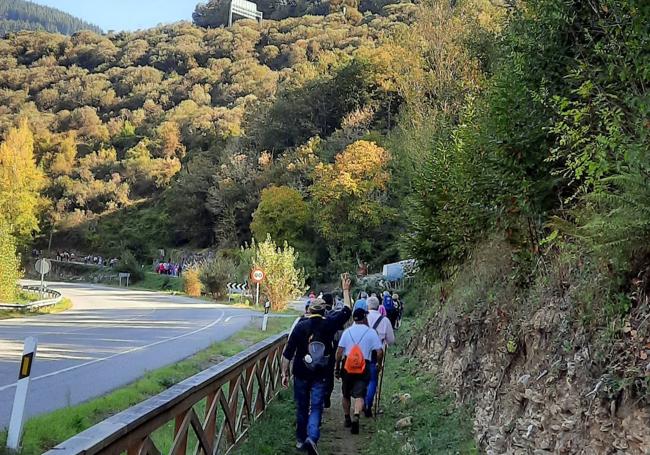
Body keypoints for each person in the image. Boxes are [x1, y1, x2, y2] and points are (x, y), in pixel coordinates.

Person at [282, 274, 353, 455]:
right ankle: (312, 438)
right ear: (323, 311)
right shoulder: (329, 323)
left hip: (300, 373)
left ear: (309, 310)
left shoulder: (300, 326)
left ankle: (300, 440)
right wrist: (346, 290)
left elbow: (287, 353)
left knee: (301, 406)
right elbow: (346, 311)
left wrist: (284, 373)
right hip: (321, 372)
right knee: (316, 406)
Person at [335, 307, 383, 435]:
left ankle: (347, 418)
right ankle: (356, 415)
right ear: (364, 318)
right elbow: (379, 352)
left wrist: (337, 368)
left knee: (345, 394)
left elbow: (339, 352)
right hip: (363, 366)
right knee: (360, 394)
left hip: (347, 366)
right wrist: (379, 364)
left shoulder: (347, 332)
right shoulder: (371, 332)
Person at [364, 296, 395, 416]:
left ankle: (360, 403)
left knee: (362, 379)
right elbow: (391, 340)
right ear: (379, 306)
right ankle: (368, 404)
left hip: (363, 352)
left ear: (367, 306)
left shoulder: (363, 317)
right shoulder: (385, 320)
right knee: (373, 380)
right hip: (377, 353)